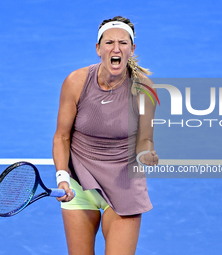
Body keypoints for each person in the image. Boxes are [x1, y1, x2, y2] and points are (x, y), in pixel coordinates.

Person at [53, 16, 159, 255]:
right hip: (81, 181)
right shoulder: (76, 82)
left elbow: (145, 139)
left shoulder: (144, 90)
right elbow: (61, 136)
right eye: (109, 42)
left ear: (132, 49)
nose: (116, 48)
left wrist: (146, 153)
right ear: (98, 49)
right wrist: (63, 177)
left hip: (124, 183)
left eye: (123, 43)